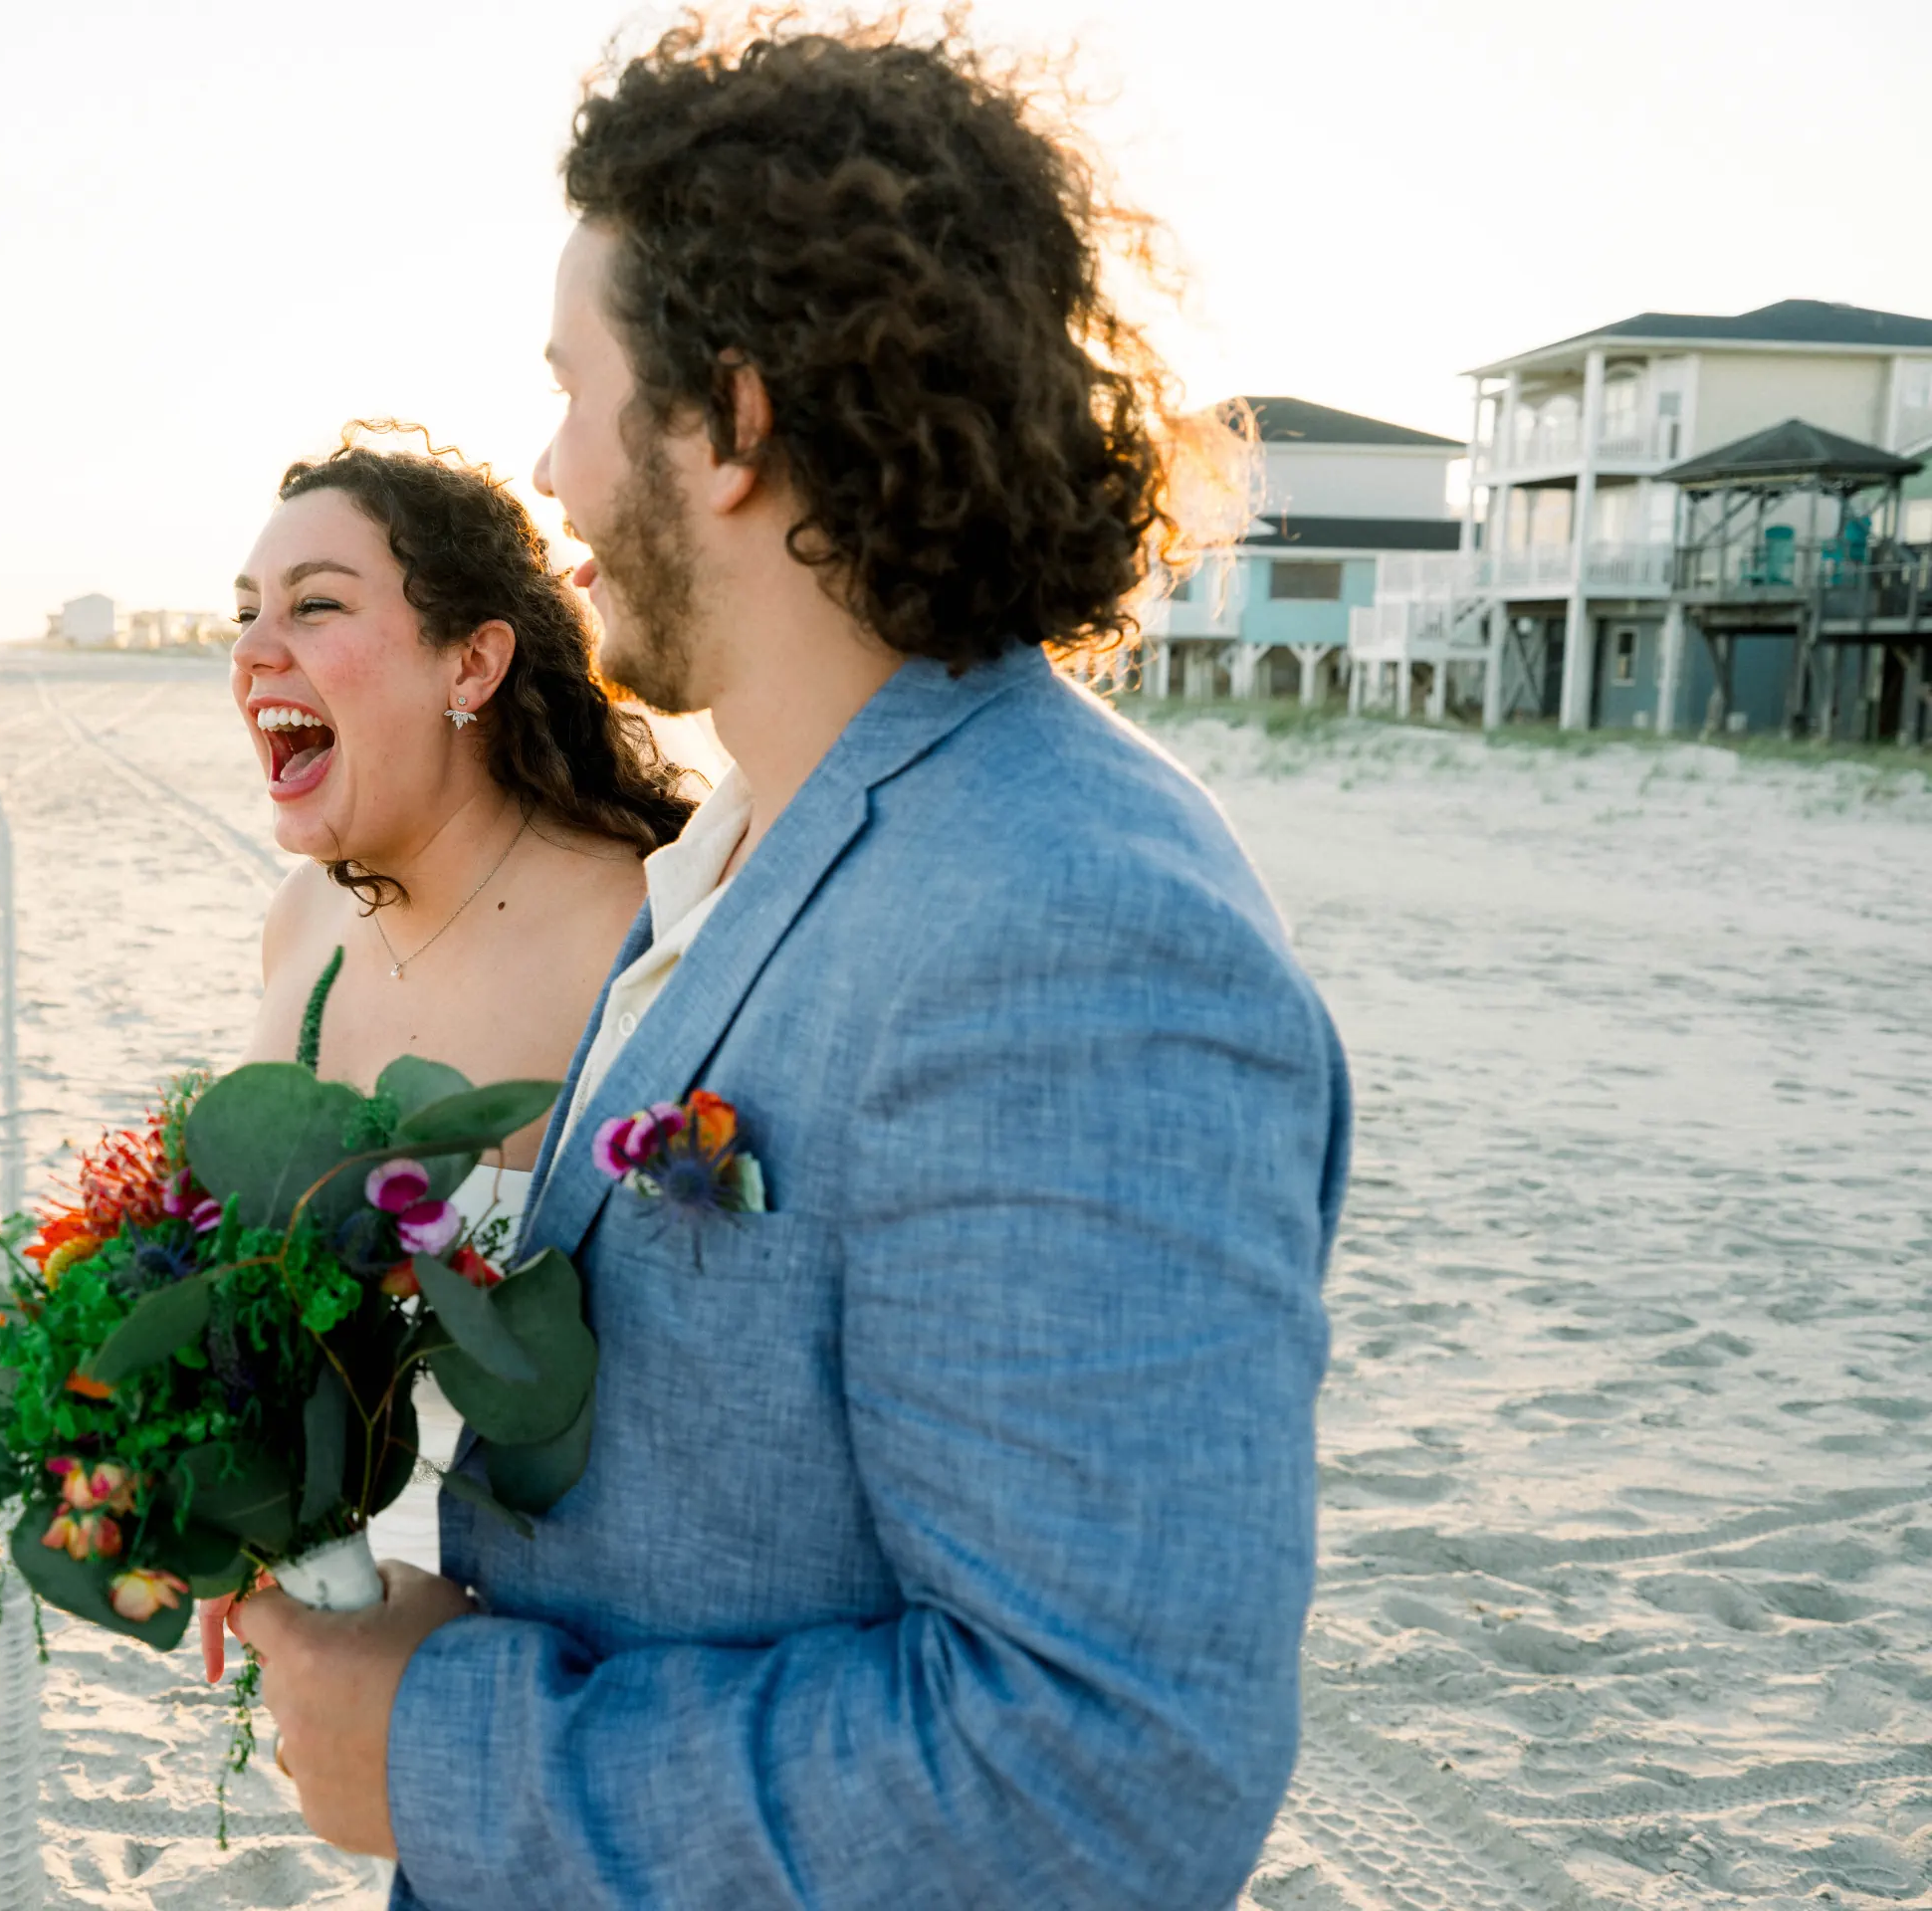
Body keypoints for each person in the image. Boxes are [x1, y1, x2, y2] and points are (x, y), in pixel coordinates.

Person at [231, 22, 1350, 1911]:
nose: (549, 467)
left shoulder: (1068, 925)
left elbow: (1101, 1781)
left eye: (577, 391)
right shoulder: (748, 843)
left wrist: (448, 1751)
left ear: (729, 422)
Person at [191, 432, 694, 1679]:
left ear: (471, 660)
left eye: (315, 605)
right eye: (248, 612)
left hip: (578, 1641)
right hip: (338, 1627)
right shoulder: (302, 922)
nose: (256, 651)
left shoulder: (651, 935)